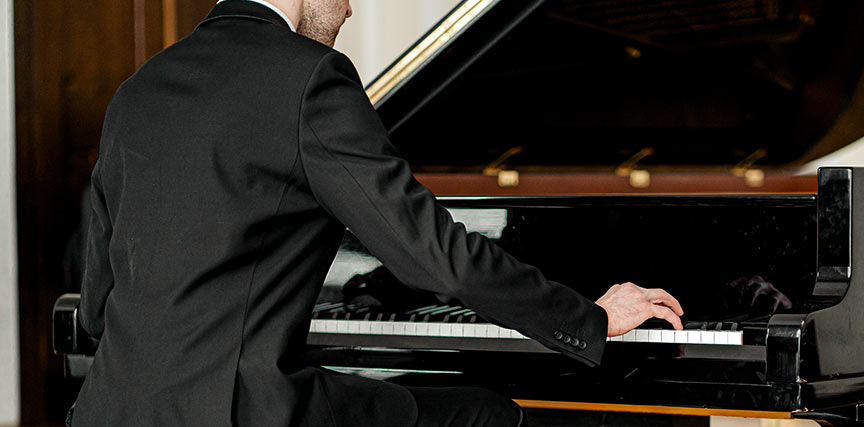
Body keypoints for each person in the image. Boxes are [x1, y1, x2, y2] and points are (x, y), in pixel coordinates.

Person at [70, 0, 685, 425]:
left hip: (106, 409)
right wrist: (589, 318)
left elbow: (98, 302)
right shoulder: (307, 78)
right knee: (486, 413)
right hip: (248, 411)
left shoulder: (139, 88)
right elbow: (433, 257)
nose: (348, 11)